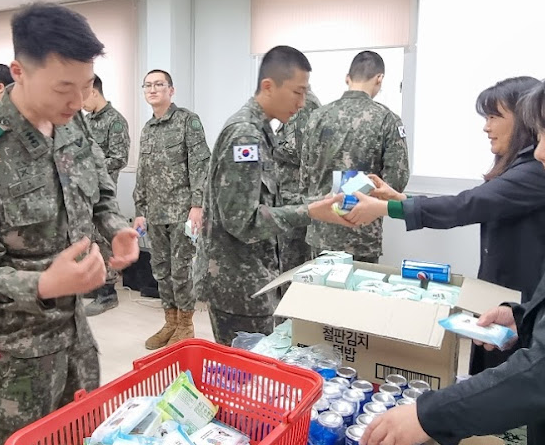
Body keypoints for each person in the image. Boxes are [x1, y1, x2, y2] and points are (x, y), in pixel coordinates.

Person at [0, 2, 140, 445]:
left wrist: (114, 227)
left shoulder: (72, 125)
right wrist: (43, 284)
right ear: (19, 72)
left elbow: (99, 190)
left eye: (86, 86)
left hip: (78, 341)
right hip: (17, 362)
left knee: (81, 440)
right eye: (63, 88)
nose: (77, 101)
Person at [361, 79, 545, 445]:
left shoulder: (533, 172)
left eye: (494, 116)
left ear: (523, 119)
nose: (486, 127)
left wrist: (387, 208)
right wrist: (521, 315)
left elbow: (466, 205)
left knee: (509, 397)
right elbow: (474, 201)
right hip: (518, 307)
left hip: (524, 307)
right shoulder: (525, 167)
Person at [193, 45, 366, 346]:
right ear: (268, 86)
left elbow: (261, 202)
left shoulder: (261, 129)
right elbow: (242, 222)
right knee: (245, 371)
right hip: (238, 287)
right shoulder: (245, 136)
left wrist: (312, 206)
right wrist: (309, 212)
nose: (302, 103)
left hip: (252, 279)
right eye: (297, 92)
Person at [300, 50, 409, 262]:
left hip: (321, 229)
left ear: (347, 78)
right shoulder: (387, 119)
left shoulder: (317, 116)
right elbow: (396, 182)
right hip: (362, 232)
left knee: (320, 284)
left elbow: (304, 177)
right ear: (379, 78)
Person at [133, 70, 211, 349]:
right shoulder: (148, 129)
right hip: (155, 213)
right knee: (161, 270)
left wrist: (197, 205)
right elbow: (143, 172)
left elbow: (201, 165)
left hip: (182, 213)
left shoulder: (188, 121)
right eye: (148, 85)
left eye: (159, 84)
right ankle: (170, 322)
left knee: (181, 270)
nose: (152, 89)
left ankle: (186, 325)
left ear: (171, 90)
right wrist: (139, 210)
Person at [82, 74, 130, 316]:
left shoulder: (115, 121)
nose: (81, 103)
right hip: (83, 190)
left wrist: (93, 167)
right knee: (87, 239)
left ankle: (108, 291)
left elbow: (120, 158)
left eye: (83, 96)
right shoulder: (85, 121)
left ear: (94, 92)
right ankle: (94, 283)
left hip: (103, 192)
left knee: (102, 238)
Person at [274, 87, 321, 272]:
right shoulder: (305, 102)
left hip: (294, 196)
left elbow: (296, 151)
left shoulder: (303, 105)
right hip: (294, 195)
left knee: (292, 263)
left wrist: (268, 143)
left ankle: (289, 292)